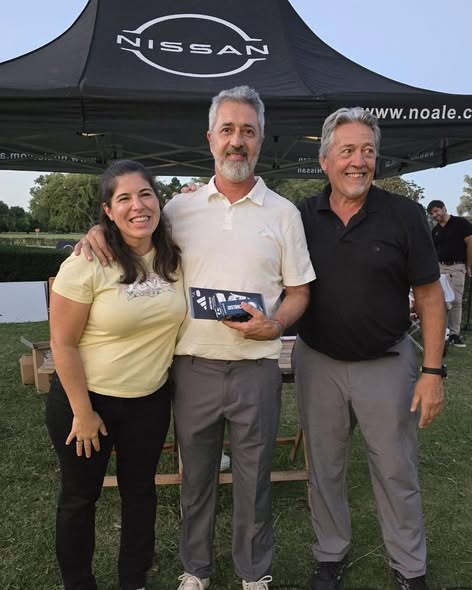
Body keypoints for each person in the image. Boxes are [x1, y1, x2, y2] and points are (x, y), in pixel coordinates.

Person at [76, 86, 316, 590]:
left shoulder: (284, 214)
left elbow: (298, 292)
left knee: (254, 479)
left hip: (257, 368)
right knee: (197, 477)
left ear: (261, 139)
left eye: (247, 131)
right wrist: (96, 232)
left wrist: (276, 324)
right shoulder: (179, 209)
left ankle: (254, 571)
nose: (237, 141)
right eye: (227, 130)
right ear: (210, 138)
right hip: (192, 369)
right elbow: (131, 231)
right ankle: (196, 568)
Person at [294, 107, 446, 590]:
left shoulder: (404, 215)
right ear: (325, 161)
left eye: (367, 151)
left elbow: (430, 296)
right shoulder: (300, 216)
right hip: (318, 362)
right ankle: (329, 554)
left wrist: (433, 372)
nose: (358, 161)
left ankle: (409, 566)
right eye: (347, 151)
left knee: (396, 469)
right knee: (325, 467)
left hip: (387, 363)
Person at [46, 160, 186, 590]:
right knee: (80, 498)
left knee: (140, 494)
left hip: (149, 401)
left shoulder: (174, 255)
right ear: (107, 211)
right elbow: (62, 343)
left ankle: (133, 579)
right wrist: (83, 412)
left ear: (159, 200)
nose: (137, 206)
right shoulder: (87, 261)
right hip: (87, 402)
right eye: (123, 198)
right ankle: (78, 582)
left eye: (145, 194)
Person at [426, 199, 472, 347]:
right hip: (440, 269)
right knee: (441, 302)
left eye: (436, 211)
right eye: (432, 213)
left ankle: (454, 334)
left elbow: (470, 243)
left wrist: (469, 265)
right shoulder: (435, 231)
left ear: (444, 208)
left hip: (456, 267)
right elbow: (432, 252)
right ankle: (442, 332)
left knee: (456, 301)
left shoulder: (460, 223)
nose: (435, 215)